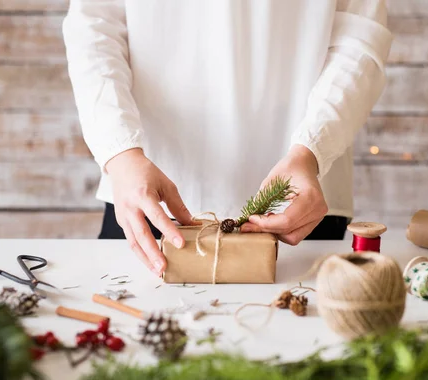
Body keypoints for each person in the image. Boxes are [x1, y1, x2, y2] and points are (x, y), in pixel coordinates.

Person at [63, 0, 392, 276]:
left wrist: (312, 148)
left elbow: (359, 38)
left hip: (301, 208)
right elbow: (94, 27)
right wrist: (121, 153)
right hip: (144, 197)